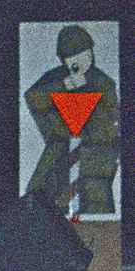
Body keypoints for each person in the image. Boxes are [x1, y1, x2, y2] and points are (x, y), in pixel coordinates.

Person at [23, 23, 120, 217]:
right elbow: (34, 97)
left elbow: (112, 118)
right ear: (66, 61)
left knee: (96, 204)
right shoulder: (55, 78)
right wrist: (64, 85)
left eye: (87, 54)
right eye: (74, 58)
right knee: (45, 201)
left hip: (95, 156)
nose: (83, 61)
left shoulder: (103, 82)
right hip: (60, 150)